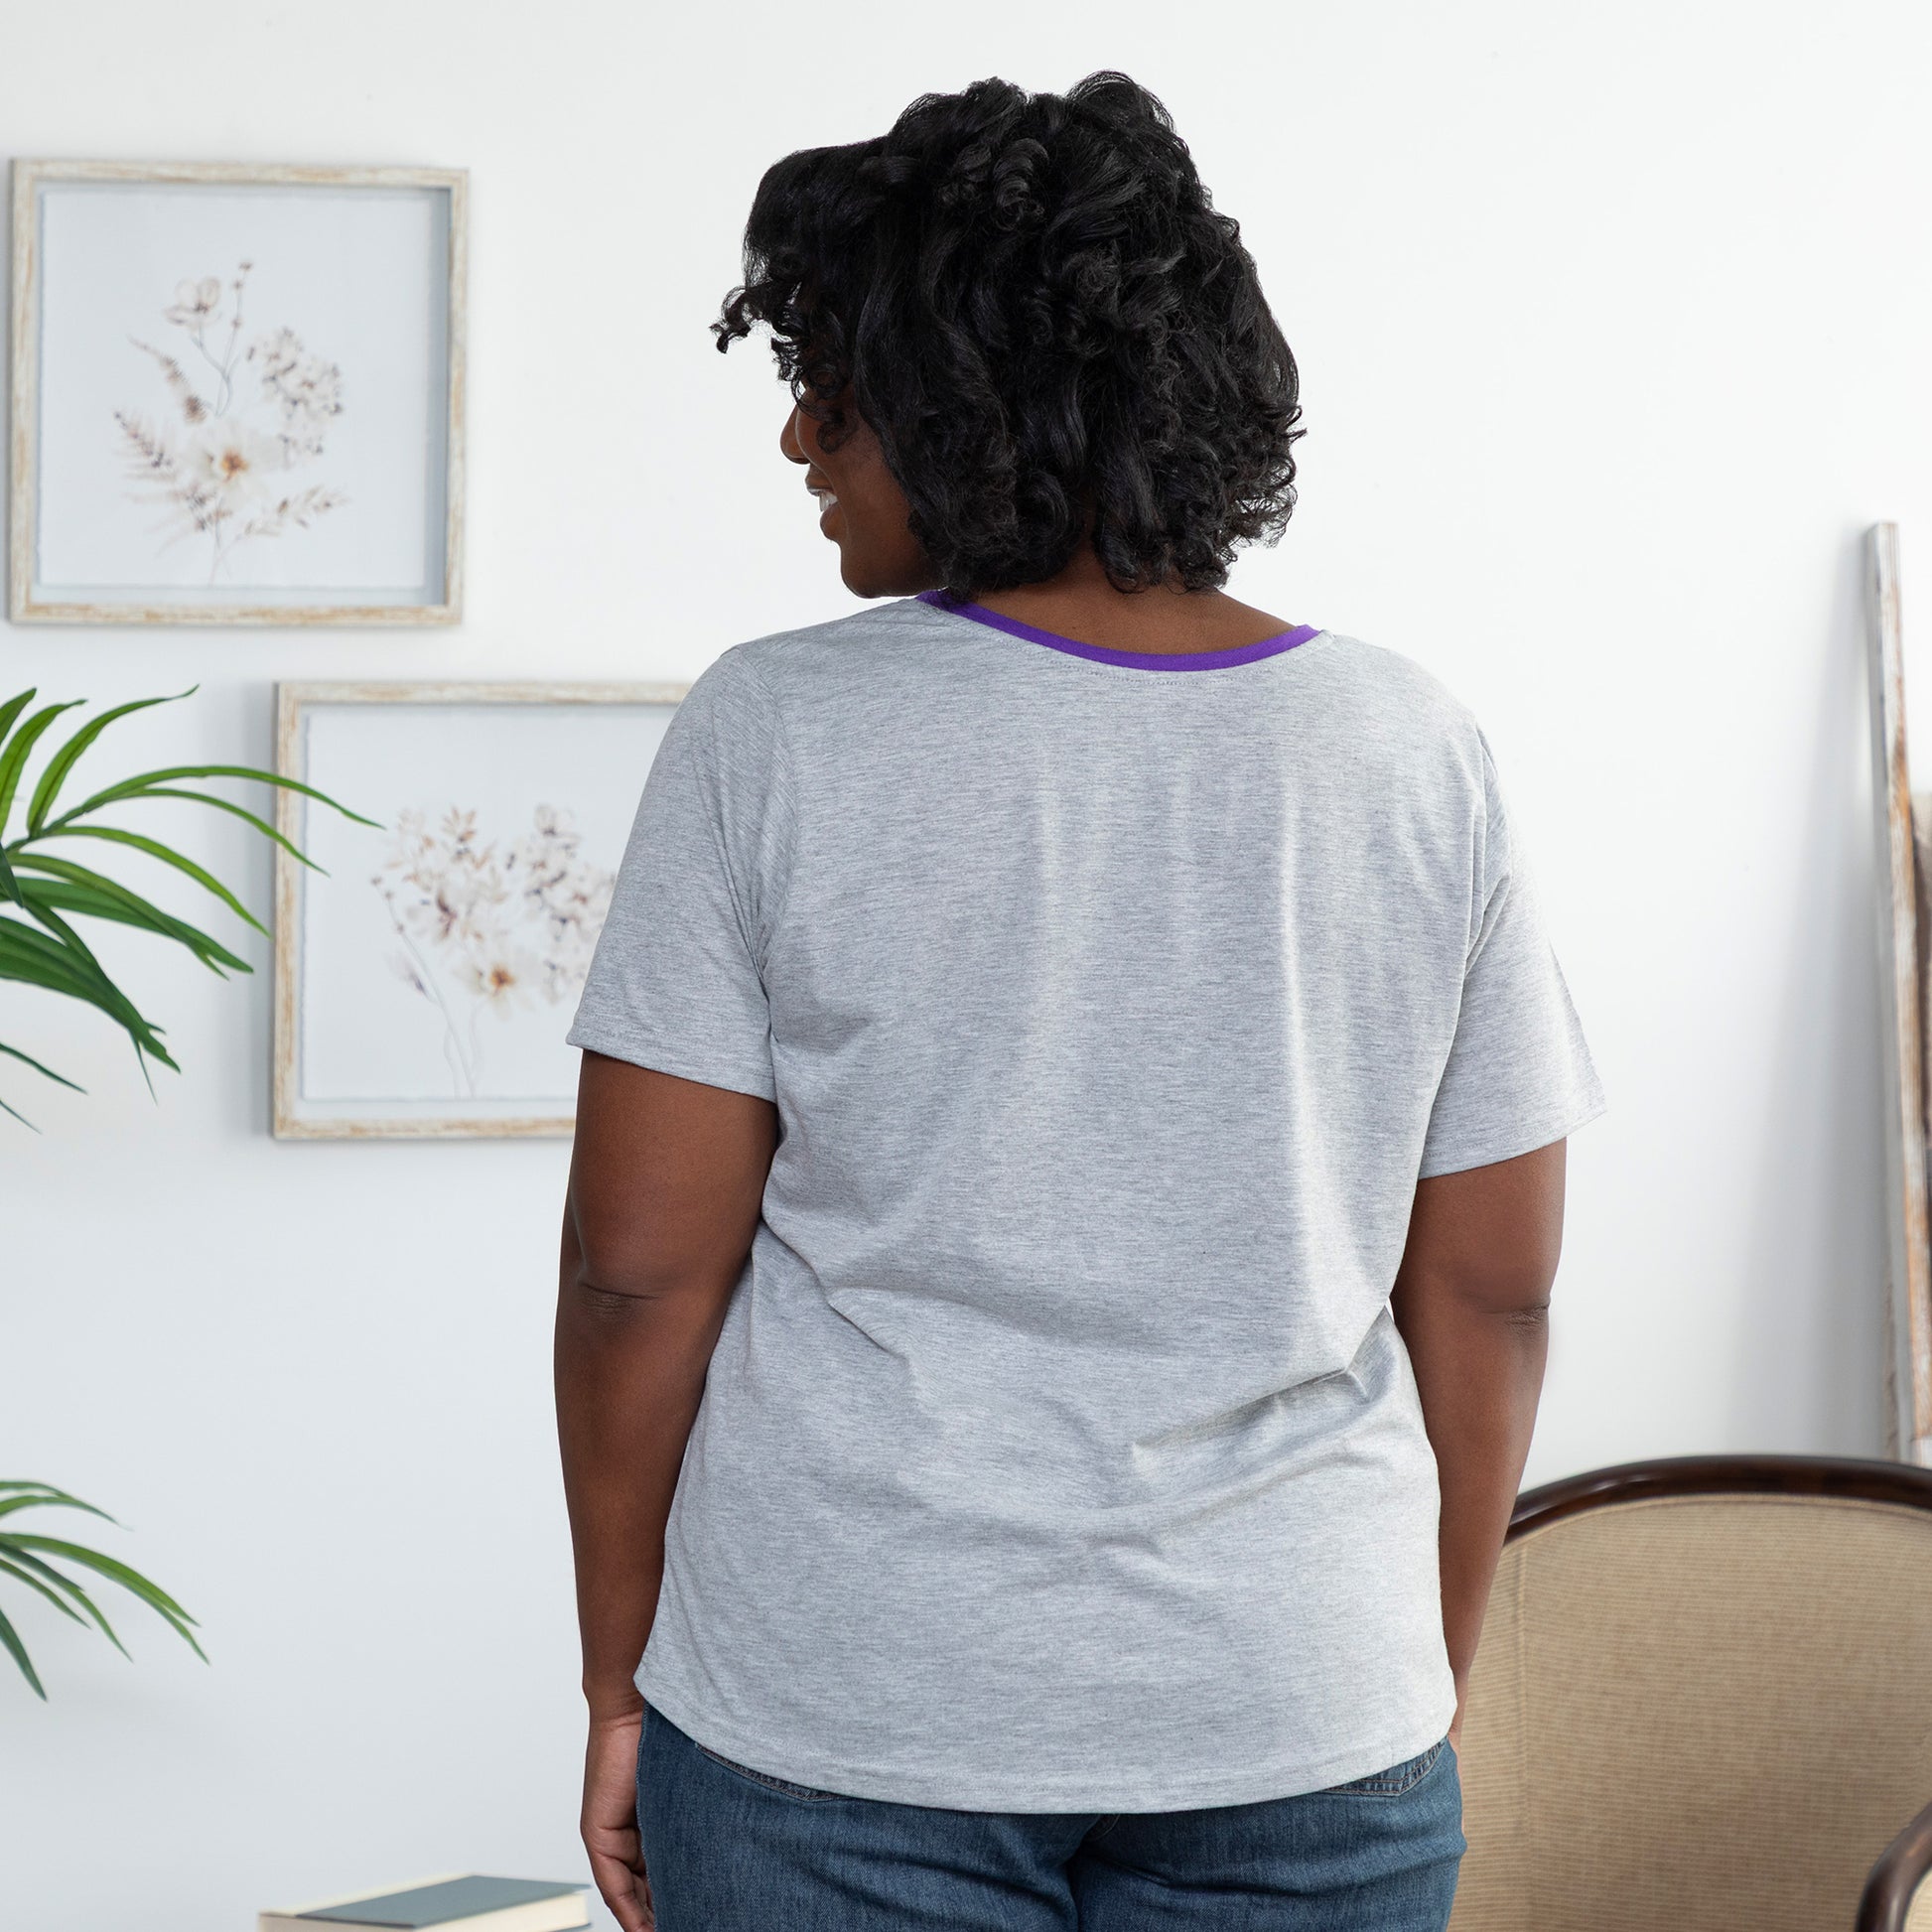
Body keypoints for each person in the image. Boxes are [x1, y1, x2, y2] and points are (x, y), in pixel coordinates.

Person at [554, 70, 1605, 1932]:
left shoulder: (775, 730)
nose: (799, 436)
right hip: (1300, 1699)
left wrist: (618, 1681)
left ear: (962, 398)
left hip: (840, 1711)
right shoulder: (1409, 748)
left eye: (834, 383)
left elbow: (638, 1278)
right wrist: (1399, 1663)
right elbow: (1490, 1286)